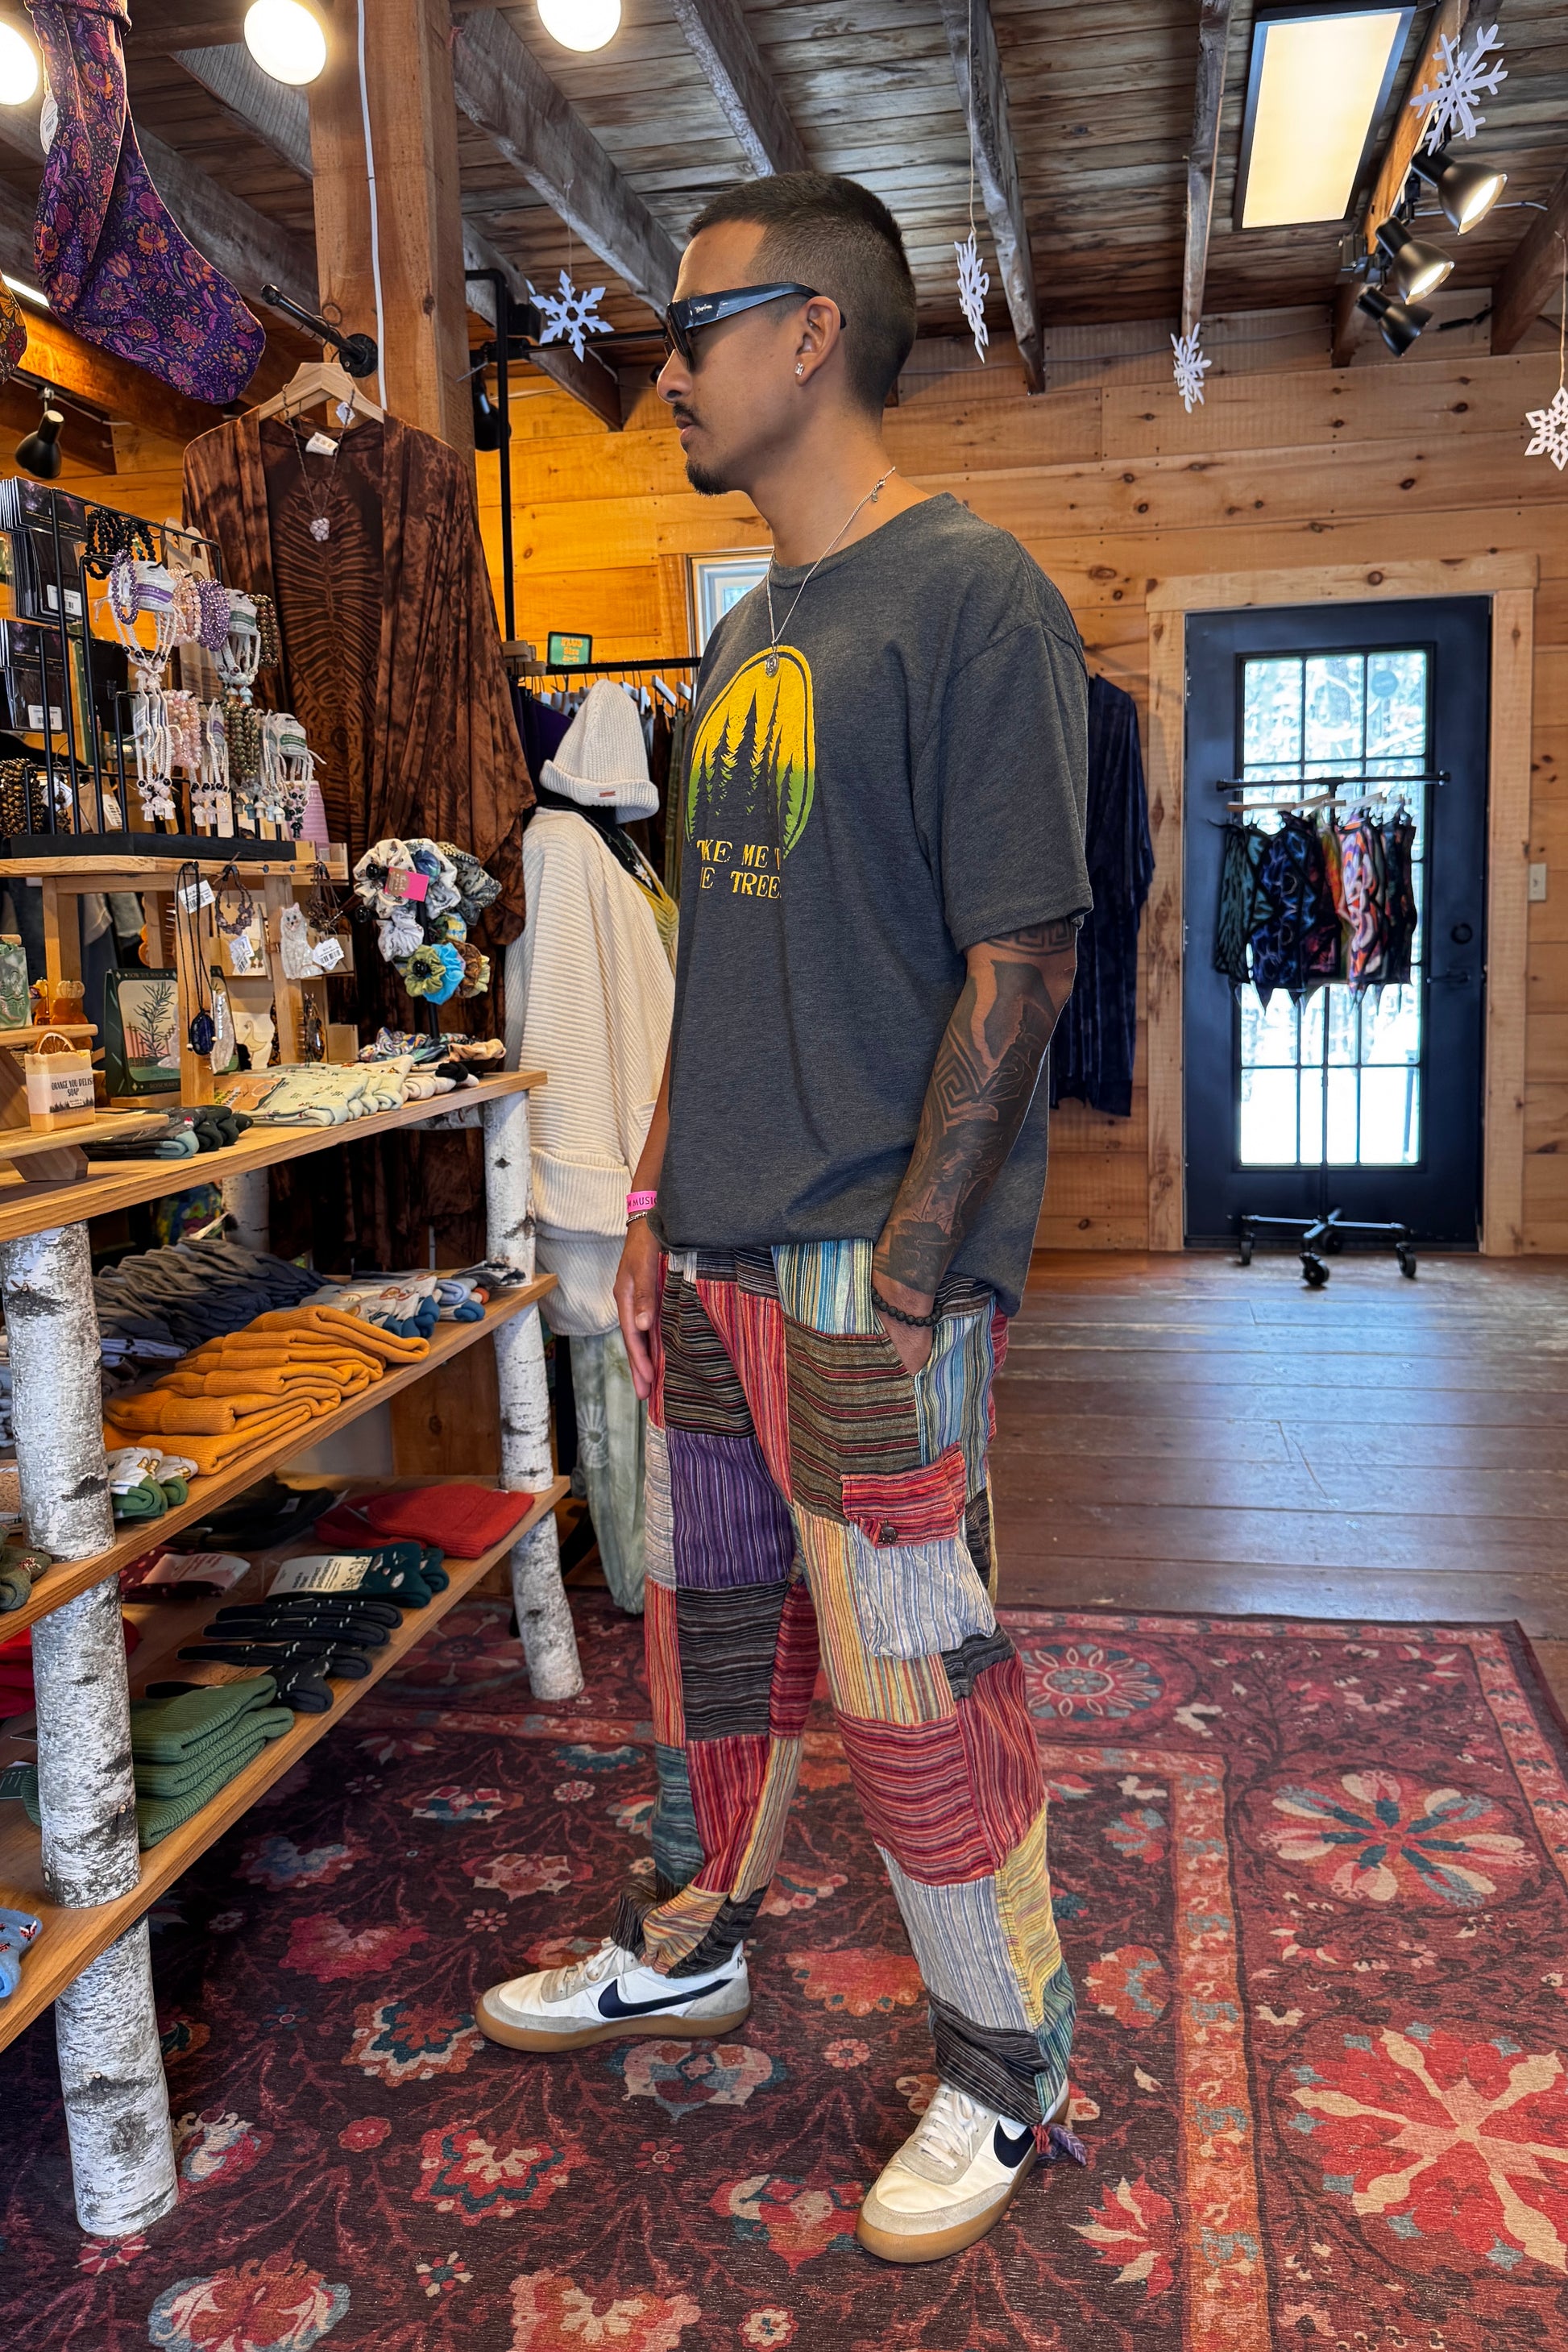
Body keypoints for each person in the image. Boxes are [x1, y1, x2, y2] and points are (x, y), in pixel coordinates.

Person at [479, 171, 1091, 2267]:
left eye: (692, 328)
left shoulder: (974, 599)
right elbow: (719, 969)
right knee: (715, 1629)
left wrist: (914, 1272)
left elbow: (1023, 963)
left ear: (810, 332)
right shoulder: (745, 634)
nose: (664, 371)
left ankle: (1007, 2059)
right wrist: (661, 1200)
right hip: (721, 1238)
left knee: (909, 1661)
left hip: (864, 1260)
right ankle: (694, 1938)